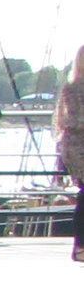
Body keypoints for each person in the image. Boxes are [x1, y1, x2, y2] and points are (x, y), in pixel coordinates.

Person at [58, 47, 84, 263]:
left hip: (73, 146)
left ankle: (80, 245)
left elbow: (65, 120)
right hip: (79, 145)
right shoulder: (75, 88)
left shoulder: (70, 87)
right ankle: (81, 245)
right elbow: (76, 119)